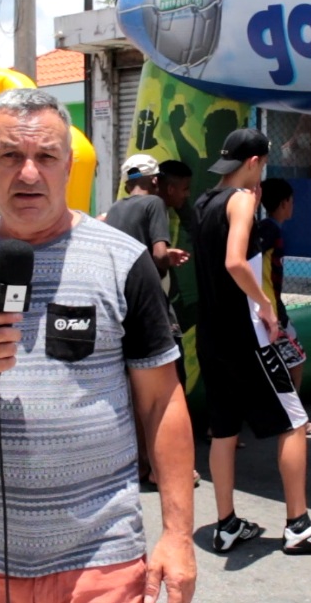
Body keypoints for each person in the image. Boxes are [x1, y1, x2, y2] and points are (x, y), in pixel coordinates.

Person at [0, 88, 196, 603]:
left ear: (68, 166)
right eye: (10, 155)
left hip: (103, 558)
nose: (28, 173)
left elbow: (161, 400)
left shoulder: (122, 260)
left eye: (46, 157)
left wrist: (178, 535)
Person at [193, 127, 311, 555]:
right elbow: (234, 261)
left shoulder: (205, 202)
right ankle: (299, 524)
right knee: (294, 421)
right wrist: (264, 303)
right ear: (252, 163)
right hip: (244, 335)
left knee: (224, 430)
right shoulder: (242, 201)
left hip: (210, 336)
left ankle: (225, 524)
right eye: (263, 163)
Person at [104, 153, 198, 489]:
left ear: (127, 182)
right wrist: (167, 258)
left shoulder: (114, 210)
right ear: (156, 181)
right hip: (150, 305)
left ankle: (142, 466)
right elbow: (158, 254)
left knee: (135, 391)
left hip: (119, 306)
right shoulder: (154, 206)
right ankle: (166, 468)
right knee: (167, 388)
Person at [258, 177, 311, 435]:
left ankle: (289, 413)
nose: (293, 205)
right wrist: (270, 310)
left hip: (271, 308)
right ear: (283, 203)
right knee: (296, 358)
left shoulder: (267, 228)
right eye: (291, 201)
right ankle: (294, 415)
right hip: (271, 313)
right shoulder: (269, 230)